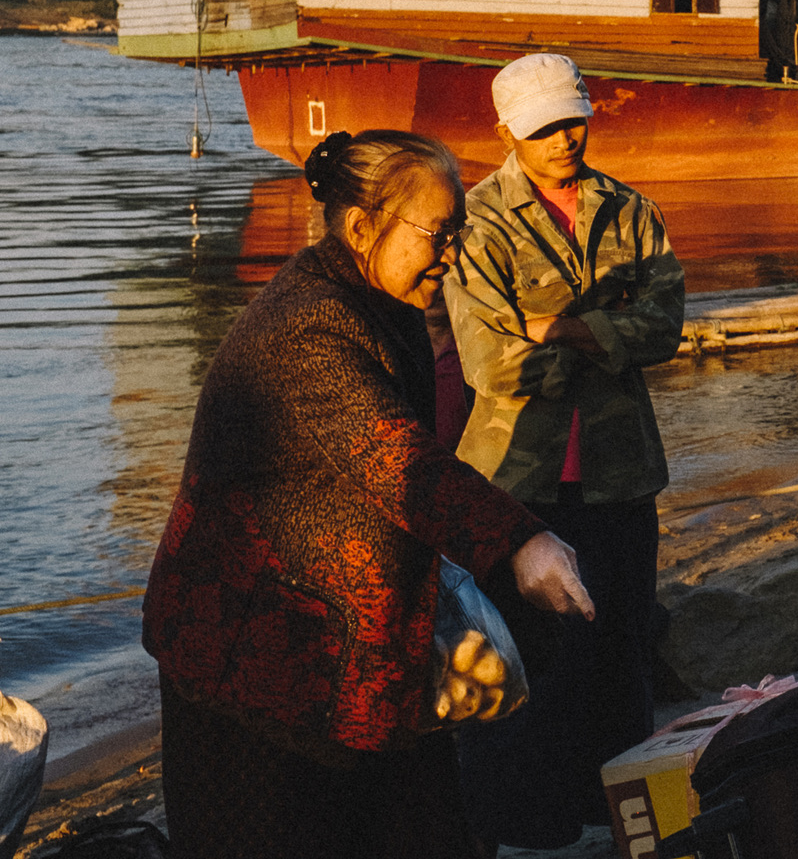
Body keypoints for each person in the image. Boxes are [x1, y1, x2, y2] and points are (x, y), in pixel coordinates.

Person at [143, 129, 595, 859]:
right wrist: (520, 540)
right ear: (361, 226)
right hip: (249, 655)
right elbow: (401, 464)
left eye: (460, 232)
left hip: (350, 642)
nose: (451, 253)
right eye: (437, 233)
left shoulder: (380, 302)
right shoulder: (309, 327)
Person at [447, 52, 685, 852]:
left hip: (621, 475)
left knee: (622, 650)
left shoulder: (630, 210)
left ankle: (618, 816)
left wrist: (556, 328)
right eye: (545, 125)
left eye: (572, 119)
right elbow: (489, 363)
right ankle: (531, 827)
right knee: (530, 663)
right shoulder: (477, 220)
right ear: (508, 129)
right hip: (518, 483)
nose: (563, 137)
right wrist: (609, 332)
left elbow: (668, 324)